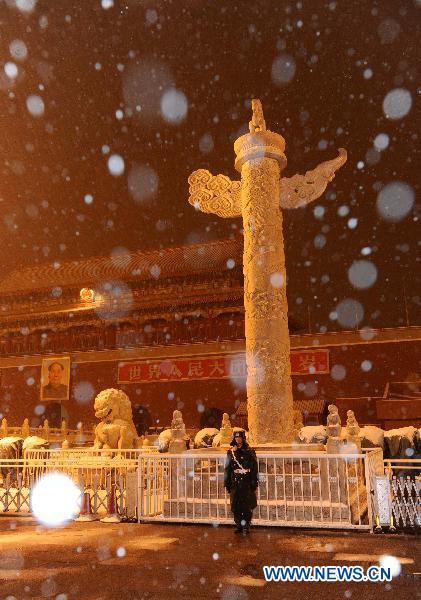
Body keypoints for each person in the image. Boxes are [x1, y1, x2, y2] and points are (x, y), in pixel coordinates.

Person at [224, 430, 258, 533]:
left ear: (243, 438)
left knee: (246, 505)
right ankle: (238, 525)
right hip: (235, 481)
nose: (238, 439)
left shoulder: (249, 451)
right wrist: (227, 483)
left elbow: (254, 468)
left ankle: (246, 525)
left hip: (246, 481)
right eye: (236, 437)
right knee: (235, 504)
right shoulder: (231, 452)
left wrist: (253, 481)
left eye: (239, 437)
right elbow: (228, 468)